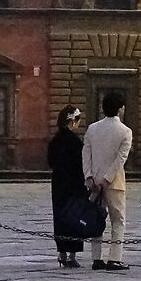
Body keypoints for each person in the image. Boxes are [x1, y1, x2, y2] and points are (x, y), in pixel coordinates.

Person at [81, 93, 134, 271]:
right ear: (120, 109)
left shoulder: (92, 129)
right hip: (114, 184)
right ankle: (114, 258)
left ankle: (96, 258)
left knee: (96, 218)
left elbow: (86, 155)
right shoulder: (125, 131)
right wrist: (107, 179)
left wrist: (89, 176)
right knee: (118, 220)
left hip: (94, 182)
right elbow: (120, 160)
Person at [47, 106, 89, 267]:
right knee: (75, 218)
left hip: (58, 184)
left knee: (60, 218)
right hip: (75, 185)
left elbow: (51, 162)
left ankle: (62, 253)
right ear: (72, 121)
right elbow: (82, 164)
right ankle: (72, 255)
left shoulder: (54, 141)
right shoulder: (75, 142)